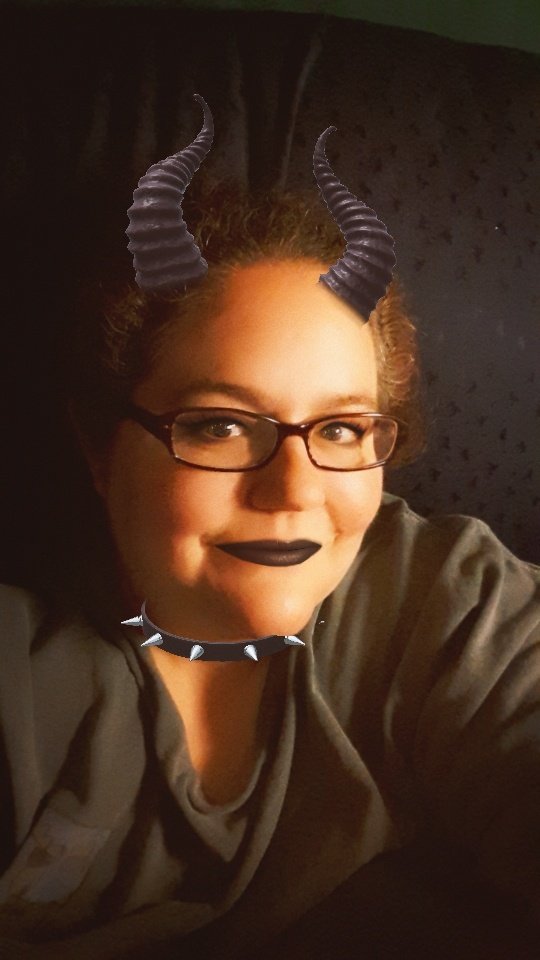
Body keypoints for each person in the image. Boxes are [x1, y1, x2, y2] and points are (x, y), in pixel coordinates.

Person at [0, 99, 539, 960]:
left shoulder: (446, 602)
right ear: (100, 449)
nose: (294, 491)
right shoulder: (26, 684)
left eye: (342, 429)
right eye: (220, 425)